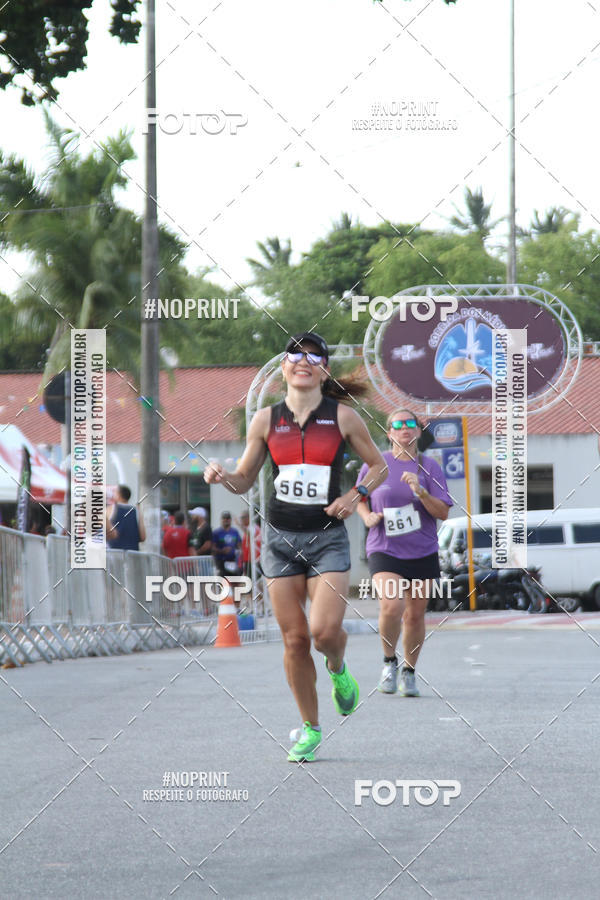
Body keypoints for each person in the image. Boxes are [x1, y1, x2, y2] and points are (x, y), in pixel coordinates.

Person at [205, 331, 388, 762]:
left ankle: (339, 671)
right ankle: (310, 728)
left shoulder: (342, 418)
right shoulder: (266, 420)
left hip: (327, 539)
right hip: (280, 540)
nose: (302, 360)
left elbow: (379, 467)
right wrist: (222, 476)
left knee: (324, 633)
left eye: (313, 355)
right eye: (294, 354)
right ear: (283, 368)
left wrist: (355, 496)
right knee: (294, 640)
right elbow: (245, 479)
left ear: (323, 369)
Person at [356, 409, 452, 697]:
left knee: (414, 616)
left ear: (419, 432)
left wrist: (421, 493)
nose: (404, 429)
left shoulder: (430, 467)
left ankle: (409, 670)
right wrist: (366, 516)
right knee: (391, 606)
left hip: (422, 549)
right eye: (397, 425)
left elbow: (443, 512)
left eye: (410, 424)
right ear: (389, 433)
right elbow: (359, 497)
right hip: (384, 547)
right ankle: (389, 662)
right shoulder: (377, 464)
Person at [107, 484, 146, 550]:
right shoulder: (137, 511)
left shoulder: (110, 509)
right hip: (133, 555)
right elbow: (143, 537)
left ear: (118, 495)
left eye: (114, 492)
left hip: (114, 554)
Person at [211, 512, 242, 576]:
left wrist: (240, 553)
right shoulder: (216, 532)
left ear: (230, 520)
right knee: (223, 581)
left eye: (228, 518)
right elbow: (212, 548)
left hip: (233, 560)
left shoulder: (235, 531)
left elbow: (239, 545)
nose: (226, 520)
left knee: (234, 580)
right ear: (221, 520)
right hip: (221, 561)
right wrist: (222, 551)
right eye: (224, 518)